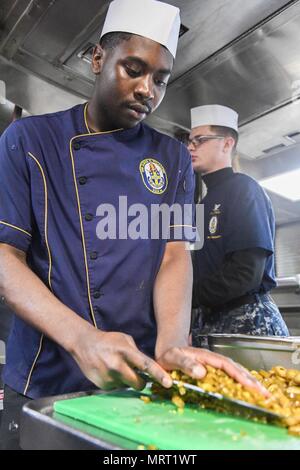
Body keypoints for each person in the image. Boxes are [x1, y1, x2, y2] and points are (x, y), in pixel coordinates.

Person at [0, 1, 266, 449]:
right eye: (134, 69)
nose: (148, 90)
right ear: (98, 58)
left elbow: (174, 254)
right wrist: (82, 338)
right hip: (45, 373)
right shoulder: (28, 140)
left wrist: (171, 343)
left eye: (160, 79)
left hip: (137, 375)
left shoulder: (174, 159)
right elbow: (5, 256)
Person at [188, 104, 289, 343]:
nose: (190, 146)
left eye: (200, 139)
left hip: (249, 321)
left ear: (227, 143)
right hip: (212, 322)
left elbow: (245, 274)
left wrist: (181, 295)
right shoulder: (203, 203)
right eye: (189, 140)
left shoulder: (244, 189)